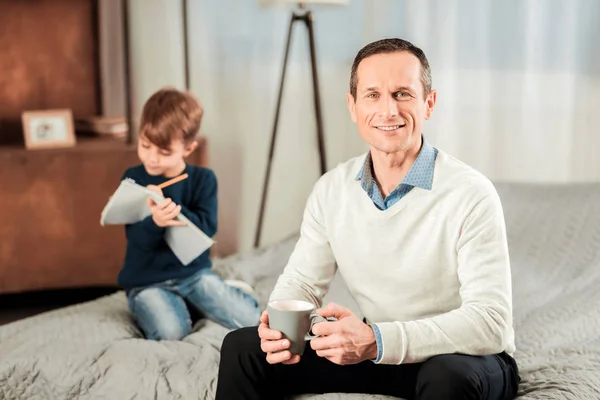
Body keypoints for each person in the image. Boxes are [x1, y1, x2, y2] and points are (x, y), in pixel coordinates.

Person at [216, 38, 520, 399]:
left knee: (446, 376)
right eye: (372, 95)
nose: (388, 110)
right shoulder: (332, 190)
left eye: (402, 94)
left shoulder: (471, 193)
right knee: (242, 347)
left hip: (461, 357)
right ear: (353, 106)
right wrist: (280, 327)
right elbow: (301, 282)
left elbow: (490, 323)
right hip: (378, 351)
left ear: (429, 103)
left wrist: (376, 341)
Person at [118, 87, 260, 341]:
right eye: (145, 145)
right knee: (171, 332)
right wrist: (155, 222)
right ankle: (187, 304)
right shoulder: (134, 179)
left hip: (193, 275)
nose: (151, 158)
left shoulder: (203, 179)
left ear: (188, 148)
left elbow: (206, 229)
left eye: (164, 152)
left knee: (250, 319)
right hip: (147, 281)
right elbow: (138, 241)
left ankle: (211, 295)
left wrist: (172, 209)